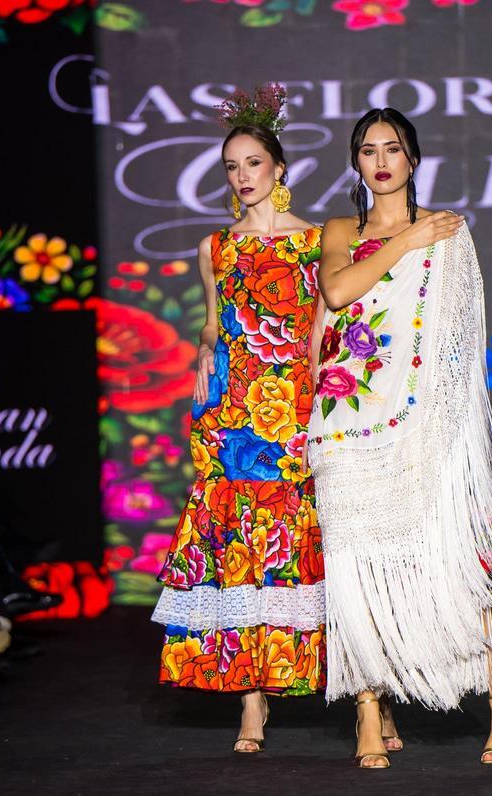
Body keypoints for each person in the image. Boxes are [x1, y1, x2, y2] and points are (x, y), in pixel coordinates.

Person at [310, 107, 492, 768]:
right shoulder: (344, 228)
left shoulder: (448, 232)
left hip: (423, 420)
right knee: (352, 570)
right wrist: (403, 240)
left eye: (392, 147)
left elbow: (460, 341)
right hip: (346, 418)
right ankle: (368, 711)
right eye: (367, 149)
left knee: (450, 562)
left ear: (413, 157)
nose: (380, 160)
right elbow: (339, 290)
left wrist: (450, 428)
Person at [150, 85, 326, 754]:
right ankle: (251, 705)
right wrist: (202, 361)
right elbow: (211, 325)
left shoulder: (314, 242)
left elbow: (320, 328)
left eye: (253, 162)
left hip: (294, 406)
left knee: (304, 546)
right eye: (232, 165)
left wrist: (315, 401)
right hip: (232, 411)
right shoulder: (215, 247)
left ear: (279, 169)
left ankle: (353, 690)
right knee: (242, 552)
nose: (242, 176)